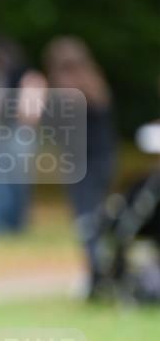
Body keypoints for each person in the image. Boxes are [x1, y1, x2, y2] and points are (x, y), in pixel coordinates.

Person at [43, 35, 117, 299]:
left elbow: (53, 129)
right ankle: (99, 272)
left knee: (86, 221)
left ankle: (97, 275)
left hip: (83, 165)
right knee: (94, 219)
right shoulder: (96, 86)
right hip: (102, 160)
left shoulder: (68, 94)